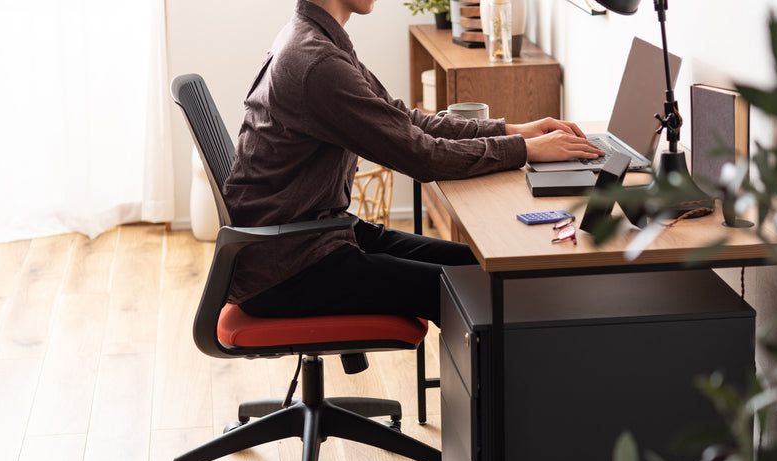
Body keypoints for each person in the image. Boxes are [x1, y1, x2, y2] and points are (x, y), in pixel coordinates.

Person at [223, 0, 604, 326]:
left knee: (486, 267)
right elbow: (421, 156)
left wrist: (515, 130)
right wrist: (524, 151)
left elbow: (401, 119)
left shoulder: (314, 37)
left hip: (310, 236)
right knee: (480, 290)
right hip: (288, 267)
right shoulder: (317, 63)